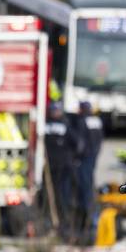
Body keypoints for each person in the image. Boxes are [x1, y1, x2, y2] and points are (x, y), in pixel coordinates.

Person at [45, 101, 78, 242]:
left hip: (63, 167)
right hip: (49, 167)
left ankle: (64, 225)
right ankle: (52, 223)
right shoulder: (45, 125)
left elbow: (76, 143)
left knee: (63, 197)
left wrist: (71, 159)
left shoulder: (65, 125)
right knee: (50, 197)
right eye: (53, 110)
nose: (54, 113)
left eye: (56, 110)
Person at [72, 101, 103, 244]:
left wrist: (76, 158)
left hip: (84, 159)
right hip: (92, 158)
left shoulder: (82, 121)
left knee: (83, 191)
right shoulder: (97, 121)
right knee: (89, 188)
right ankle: (91, 219)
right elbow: (99, 141)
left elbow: (80, 143)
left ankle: (86, 222)